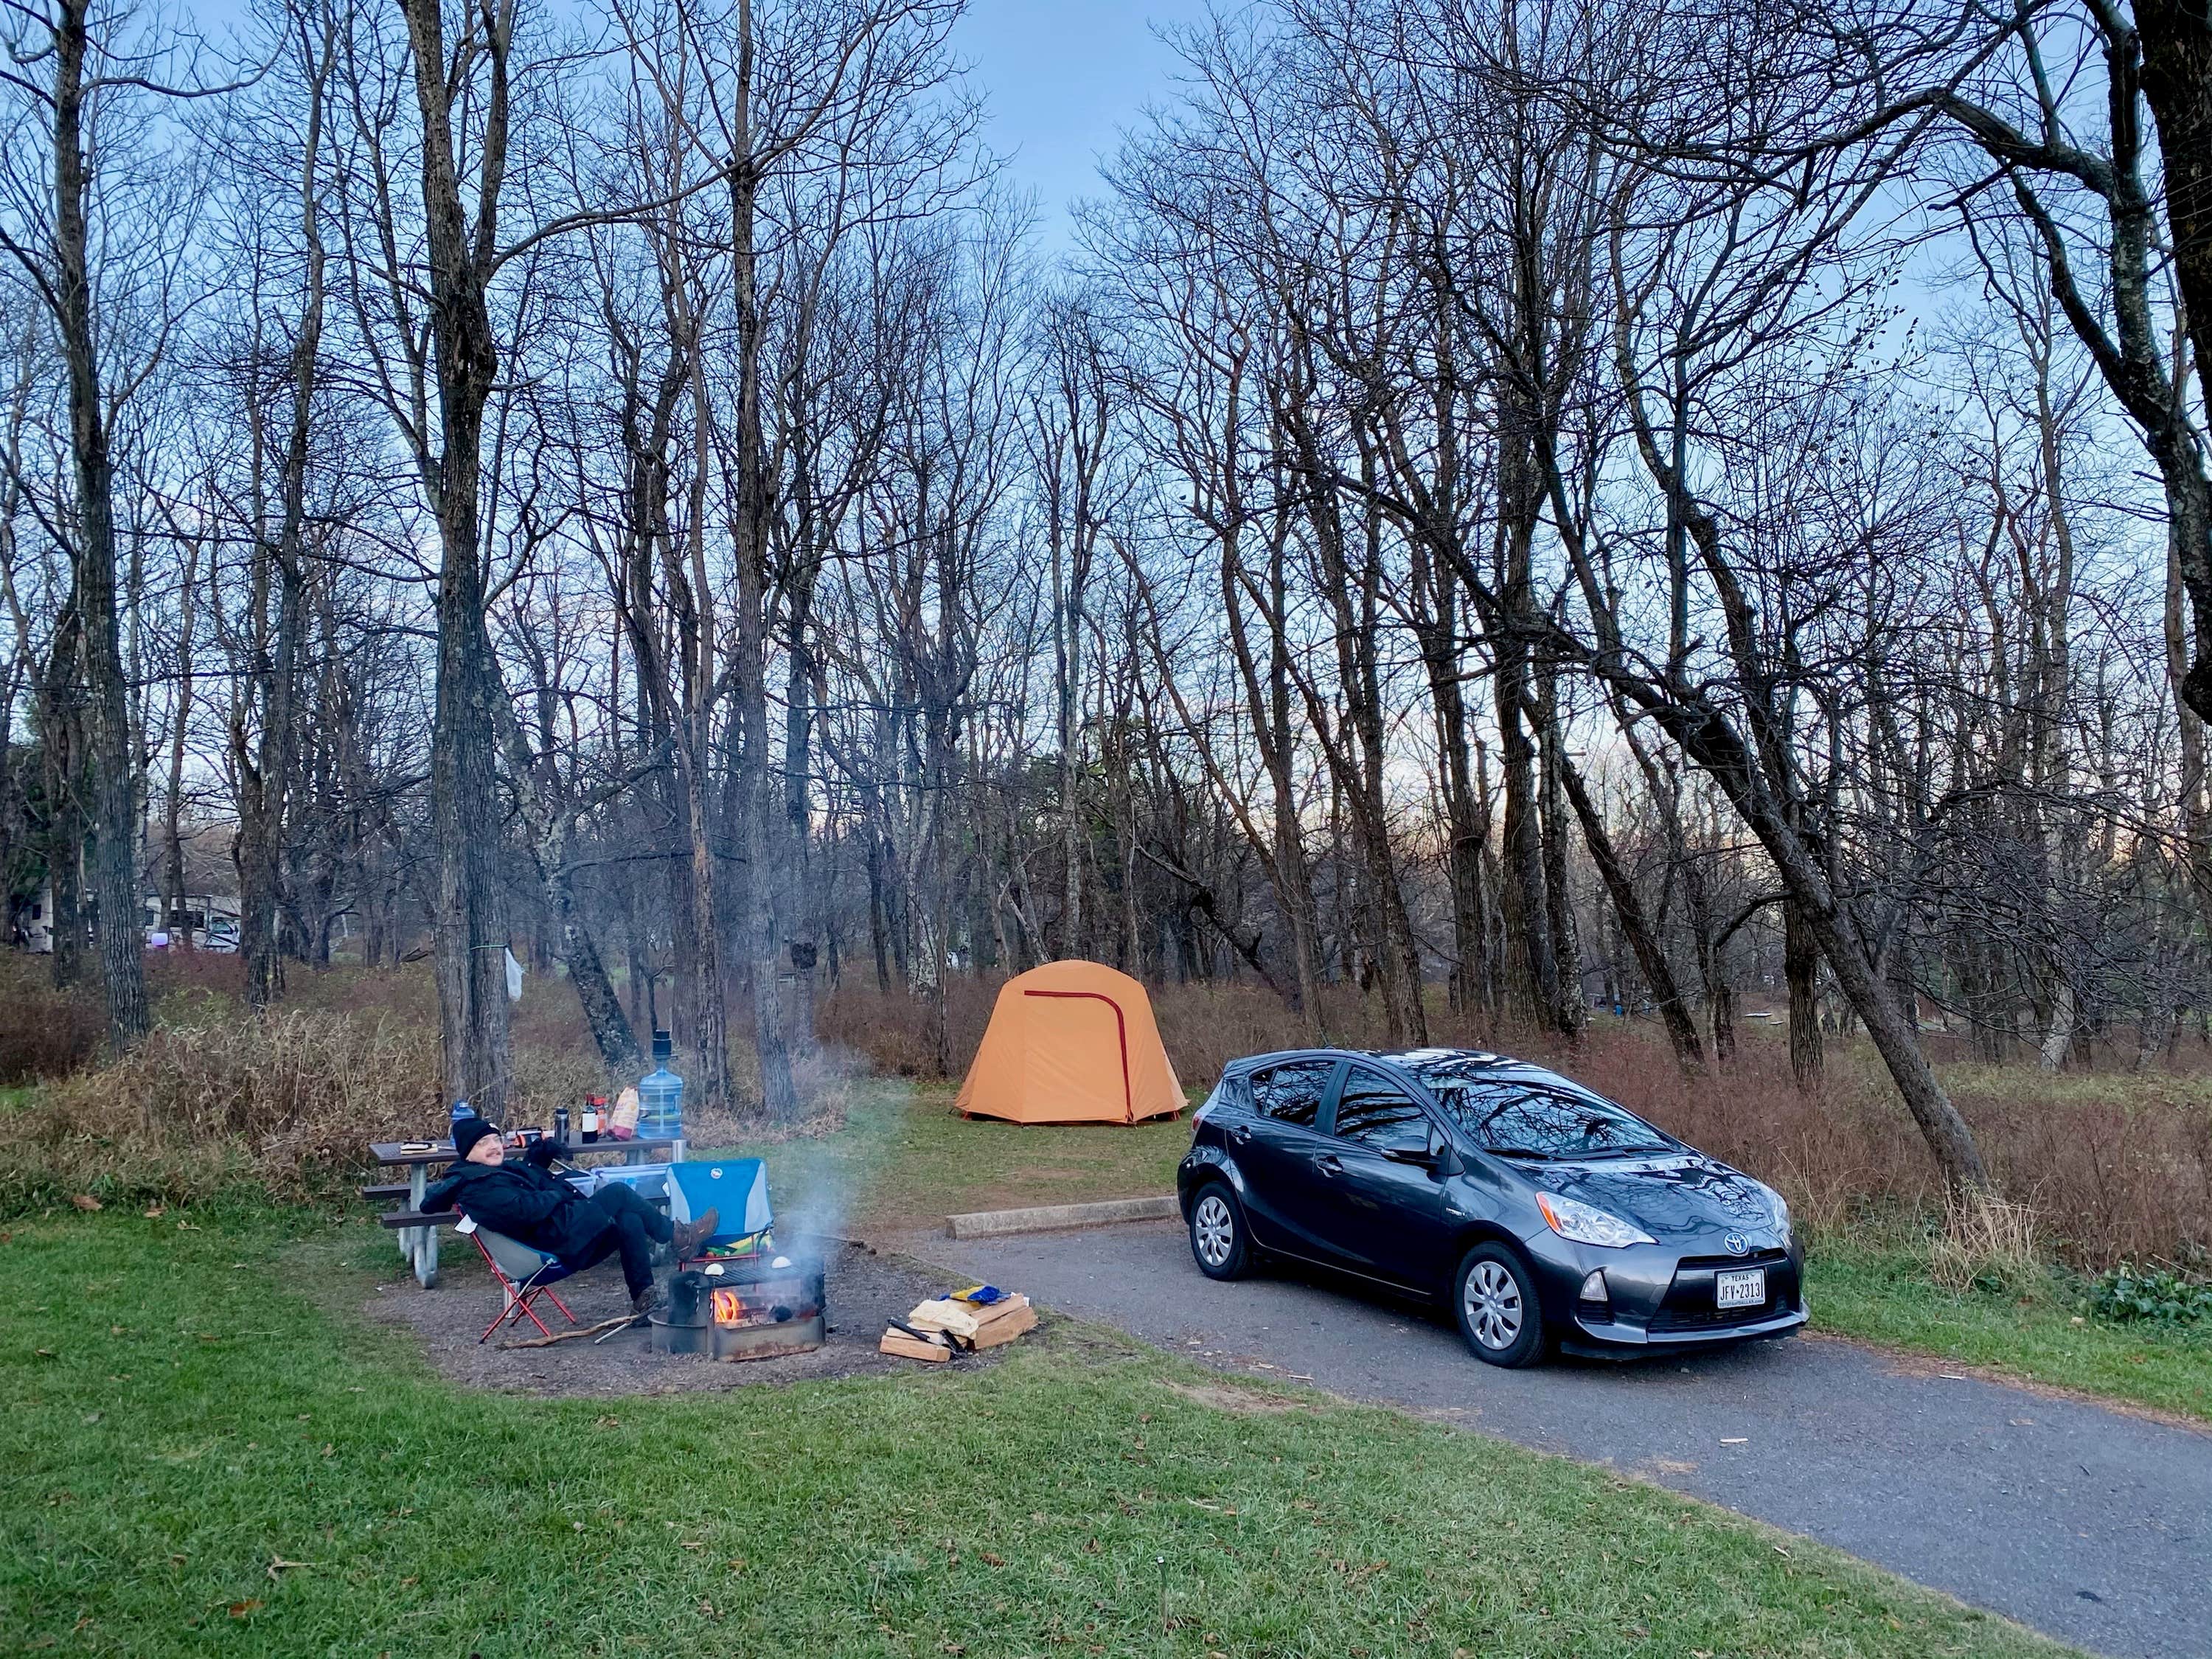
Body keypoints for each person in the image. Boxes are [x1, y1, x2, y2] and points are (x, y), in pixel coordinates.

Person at [425, 1116, 716, 1315]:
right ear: (467, 1153)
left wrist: (539, 1157)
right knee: (617, 1192)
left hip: (564, 1230)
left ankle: (643, 1299)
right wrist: (558, 1194)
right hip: (555, 1242)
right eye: (483, 1143)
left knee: (630, 1220)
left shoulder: (491, 1173)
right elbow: (524, 1211)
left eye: (495, 1139)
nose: (494, 1146)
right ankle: (680, 1238)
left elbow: (525, 1188)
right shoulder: (477, 1188)